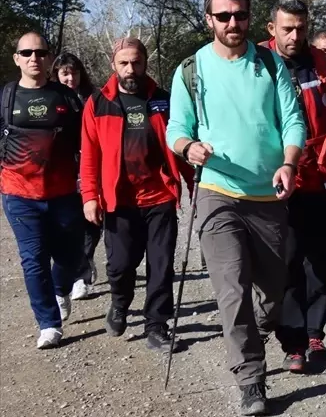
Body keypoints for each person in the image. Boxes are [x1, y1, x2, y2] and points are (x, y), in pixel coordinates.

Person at [166, 0, 306, 415]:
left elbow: (294, 122)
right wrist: (189, 148)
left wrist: (289, 163)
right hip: (217, 192)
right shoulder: (191, 70)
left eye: (240, 15)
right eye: (223, 15)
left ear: (250, 16)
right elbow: (176, 129)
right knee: (232, 291)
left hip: (268, 196)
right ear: (208, 19)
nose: (232, 23)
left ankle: (261, 329)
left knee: (271, 294)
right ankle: (250, 379)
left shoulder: (269, 63)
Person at [264, 0, 326, 372]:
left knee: (317, 259)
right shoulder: (258, 63)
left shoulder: (322, 62)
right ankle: (292, 342)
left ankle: (315, 333)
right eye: (287, 28)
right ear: (272, 29)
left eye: (301, 28)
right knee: (286, 261)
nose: (295, 35)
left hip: (319, 175)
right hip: (277, 177)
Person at [80, 37, 187, 353]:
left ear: (145, 63)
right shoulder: (98, 103)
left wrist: (198, 185)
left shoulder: (163, 100)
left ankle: (157, 325)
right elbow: (89, 155)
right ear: (114, 64)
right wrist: (89, 196)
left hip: (159, 197)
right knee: (121, 265)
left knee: (161, 264)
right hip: (119, 201)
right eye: (124, 63)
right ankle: (119, 302)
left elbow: (182, 141)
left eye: (136, 62)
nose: (131, 69)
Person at [1, 32, 86, 348]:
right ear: (17, 58)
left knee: (71, 256)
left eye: (40, 52)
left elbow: (85, 142)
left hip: (64, 193)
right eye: (27, 52)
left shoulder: (66, 97)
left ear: (49, 58)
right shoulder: (6, 97)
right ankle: (49, 324)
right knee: (32, 259)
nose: (34, 58)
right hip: (18, 194)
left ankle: (61, 288)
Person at [52, 51, 102, 301]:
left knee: (92, 223)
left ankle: (85, 266)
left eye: (74, 72)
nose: (70, 77)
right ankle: (80, 272)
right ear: (56, 75)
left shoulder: (95, 98)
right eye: (64, 73)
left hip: (93, 167)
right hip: (64, 170)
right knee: (70, 224)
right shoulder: (50, 98)